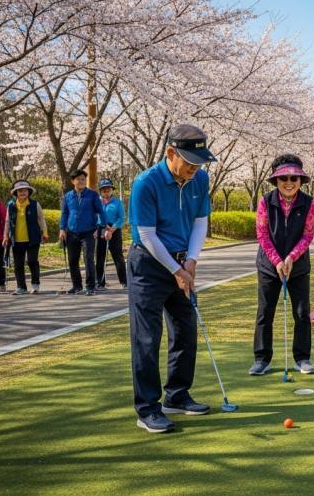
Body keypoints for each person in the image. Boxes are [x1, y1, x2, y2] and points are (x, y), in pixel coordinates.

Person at [128, 124, 217, 433]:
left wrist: (191, 261)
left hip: (182, 260)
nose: (195, 169)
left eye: (200, 163)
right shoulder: (146, 183)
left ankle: (176, 396)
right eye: (190, 162)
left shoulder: (200, 178)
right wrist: (177, 270)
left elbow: (200, 222)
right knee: (147, 337)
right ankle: (147, 409)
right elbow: (146, 234)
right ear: (170, 153)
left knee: (184, 329)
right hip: (149, 265)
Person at [249, 153, 314, 377]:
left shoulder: (308, 202)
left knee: (301, 313)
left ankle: (302, 358)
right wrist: (278, 260)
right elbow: (262, 234)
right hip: (269, 266)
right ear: (276, 181)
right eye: (283, 179)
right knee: (265, 312)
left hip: (298, 266)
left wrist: (291, 258)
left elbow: (308, 235)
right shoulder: (265, 202)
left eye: (293, 179)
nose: (289, 183)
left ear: (300, 181)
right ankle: (262, 359)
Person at [59, 169, 104, 295]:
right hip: (72, 233)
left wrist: (100, 227)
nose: (81, 181)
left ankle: (90, 286)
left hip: (89, 232)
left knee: (88, 259)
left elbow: (101, 212)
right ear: (73, 181)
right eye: (78, 179)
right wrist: (62, 228)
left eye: (83, 179)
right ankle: (76, 285)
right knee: (73, 260)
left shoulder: (93, 195)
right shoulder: (68, 196)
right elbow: (64, 213)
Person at [4, 180, 48, 295]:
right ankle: (21, 287)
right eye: (19, 191)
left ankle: (35, 284)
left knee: (32, 261)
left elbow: (41, 219)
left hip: (32, 238)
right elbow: (7, 221)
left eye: (24, 190)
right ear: (16, 193)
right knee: (18, 264)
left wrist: (45, 232)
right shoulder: (11, 205)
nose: (22, 192)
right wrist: (5, 236)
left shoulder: (34, 204)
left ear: (29, 192)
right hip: (16, 239)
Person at [95, 178, 127, 291]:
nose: (106, 192)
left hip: (114, 229)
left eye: (108, 189)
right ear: (100, 191)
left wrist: (112, 229)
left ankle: (124, 281)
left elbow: (121, 218)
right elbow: (94, 217)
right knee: (100, 257)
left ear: (112, 190)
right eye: (103, 190)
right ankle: (100, 282)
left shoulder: (117, 202)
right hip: (100, 229)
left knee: (118, 256)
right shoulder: (96, 202)